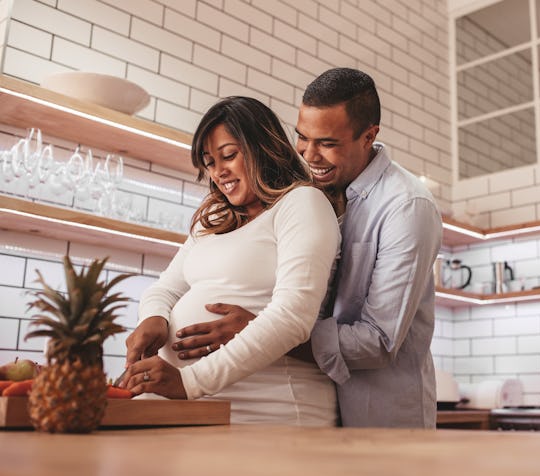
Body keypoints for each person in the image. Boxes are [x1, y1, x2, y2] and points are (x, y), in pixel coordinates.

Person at [171, 68, 443, 428]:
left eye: (327, 143)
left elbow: (378, 341)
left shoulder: (406, 207)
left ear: (369, 136)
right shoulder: (318, 189)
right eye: (302, 138)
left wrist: (259, 331)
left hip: (379, 416)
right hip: (322, 406)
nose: (309, 155)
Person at [120, 96, 341, 426]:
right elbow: (165, 288)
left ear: (263, 147)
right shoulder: (214, 215)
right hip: (188, 409)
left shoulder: (301, 204)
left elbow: (293, 317)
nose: (218, 172)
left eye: (228, 156)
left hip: (266, 411)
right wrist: (154, 318)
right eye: (209, 162)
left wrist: (190, 381)